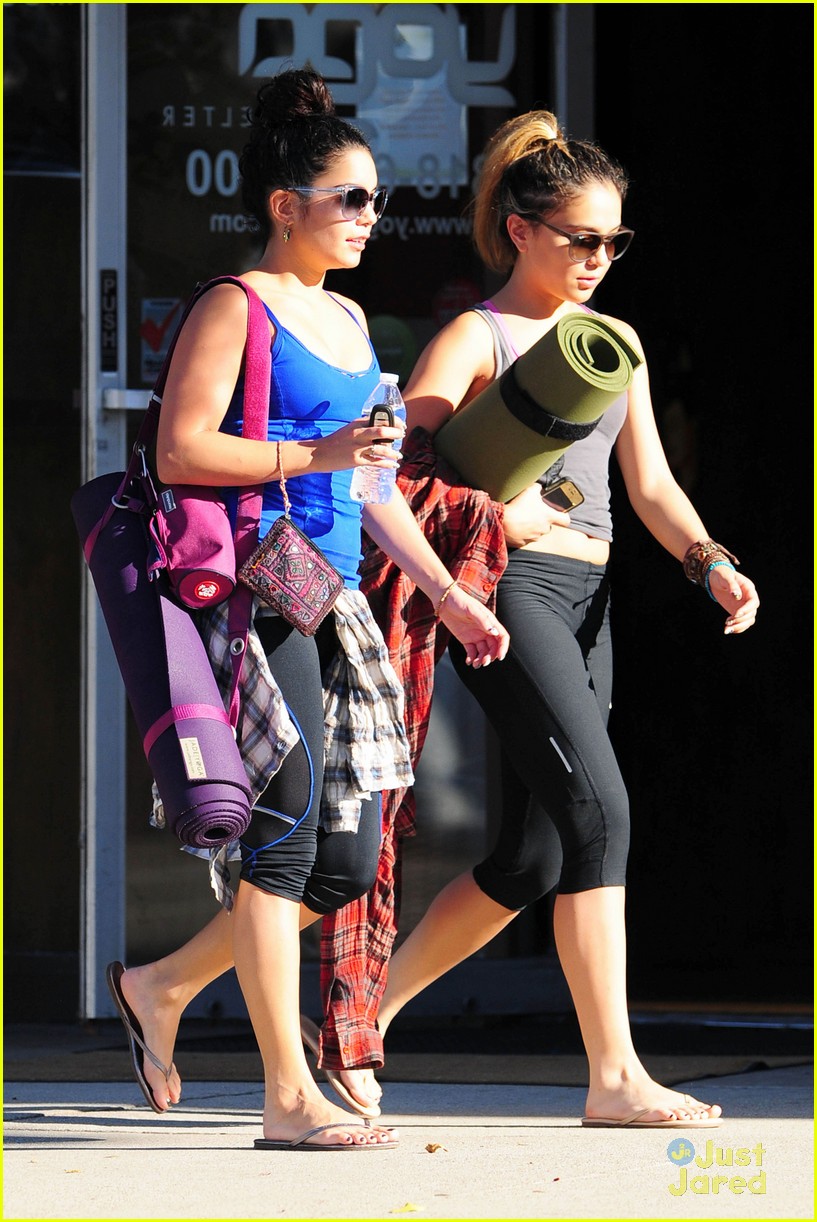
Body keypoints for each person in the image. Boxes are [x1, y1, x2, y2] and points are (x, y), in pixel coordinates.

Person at [315, 107, 760, 1127]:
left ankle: (350, 1021)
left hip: (590, 597)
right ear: (521, 230)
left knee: (533, 858)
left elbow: (649, 485)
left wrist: (710, 562)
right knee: (601, 814)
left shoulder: (615, 342)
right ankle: (614, 1076)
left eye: (614, 241)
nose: (598, 259)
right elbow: (396, 469)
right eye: (579, 239)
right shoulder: (476, 335)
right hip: (509, 593)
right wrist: (491, 518)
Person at [106, 67, 508, 1152]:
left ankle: (162, 983)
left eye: (377, 198)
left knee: (343, 859)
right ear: (287, 206)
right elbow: (181, 450)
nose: (372, 216)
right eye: (352, 199)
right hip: (253, 589)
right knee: (283, 837)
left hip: (332, 596)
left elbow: (370, 481)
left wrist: (446, 594)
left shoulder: (345, 316)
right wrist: (310, 454)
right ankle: (286, 1094)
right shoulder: (234, 305)